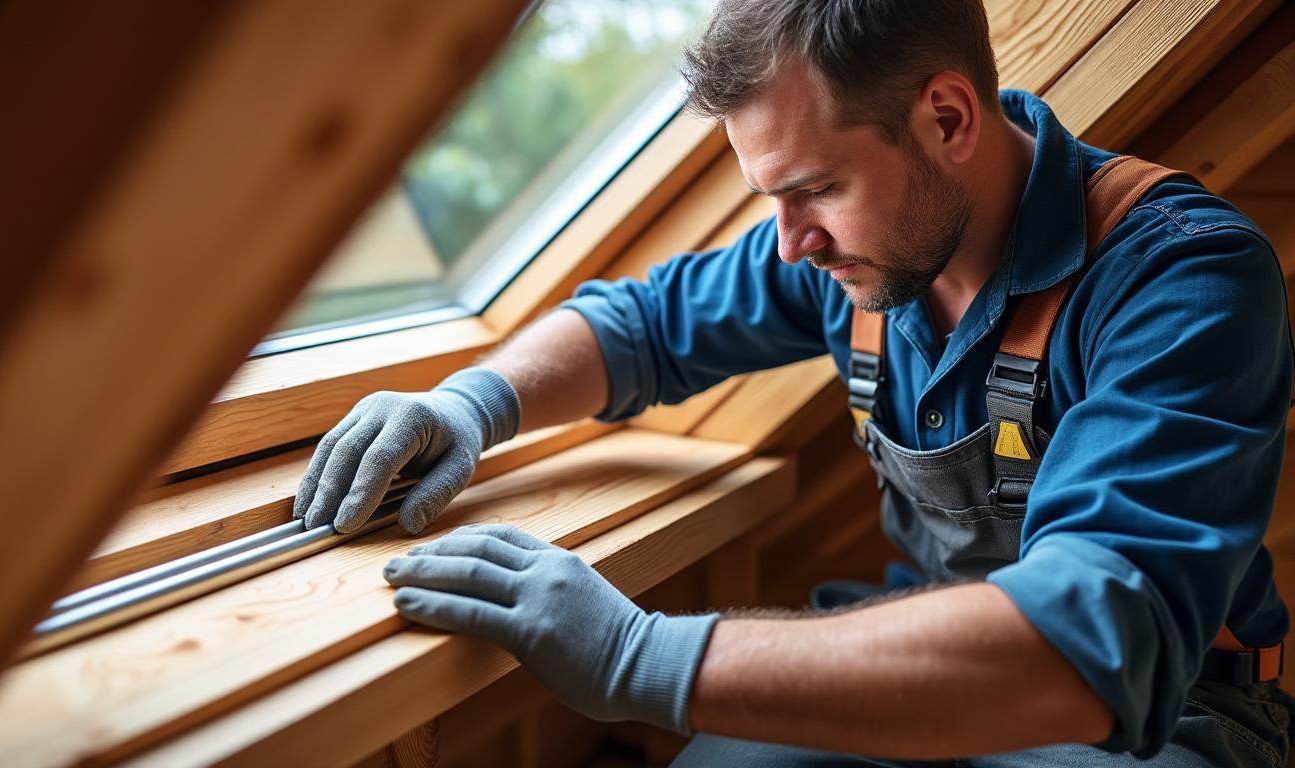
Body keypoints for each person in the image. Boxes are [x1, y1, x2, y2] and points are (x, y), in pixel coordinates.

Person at [291, 1, 1295, 764]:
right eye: (773, 196)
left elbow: (1084, 643)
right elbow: (637, 325)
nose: (791, 241)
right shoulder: (859, 253)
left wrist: (640, 657)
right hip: (908, 659)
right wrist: (470, 403)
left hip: (1156, 718)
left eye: (816, 188)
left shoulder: (1179, 277)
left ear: (948, 117)